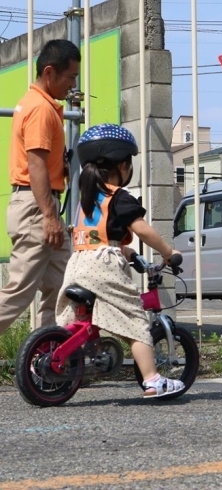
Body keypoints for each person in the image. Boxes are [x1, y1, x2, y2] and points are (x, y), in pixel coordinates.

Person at [55, 123, 184, 398]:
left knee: (81, 321)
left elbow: (100, 238)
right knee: (135, 319)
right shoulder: (119, 197)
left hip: (78, 263)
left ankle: (65, 359)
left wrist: (127, 252)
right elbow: (142, 229)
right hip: (103, 267)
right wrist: (168, 252)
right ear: (123, 164)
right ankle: (152, 380)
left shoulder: (86, 201)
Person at [0, 39, 81, 335]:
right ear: (50, 73)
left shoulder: (37, 104)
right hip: (37, 211)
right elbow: (35, 166)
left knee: (62, 286)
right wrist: (49, 215)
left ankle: (48, 359)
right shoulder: (39, 110)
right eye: (70, 76)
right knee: (18, 292)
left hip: (39, 207)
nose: (73, 85)